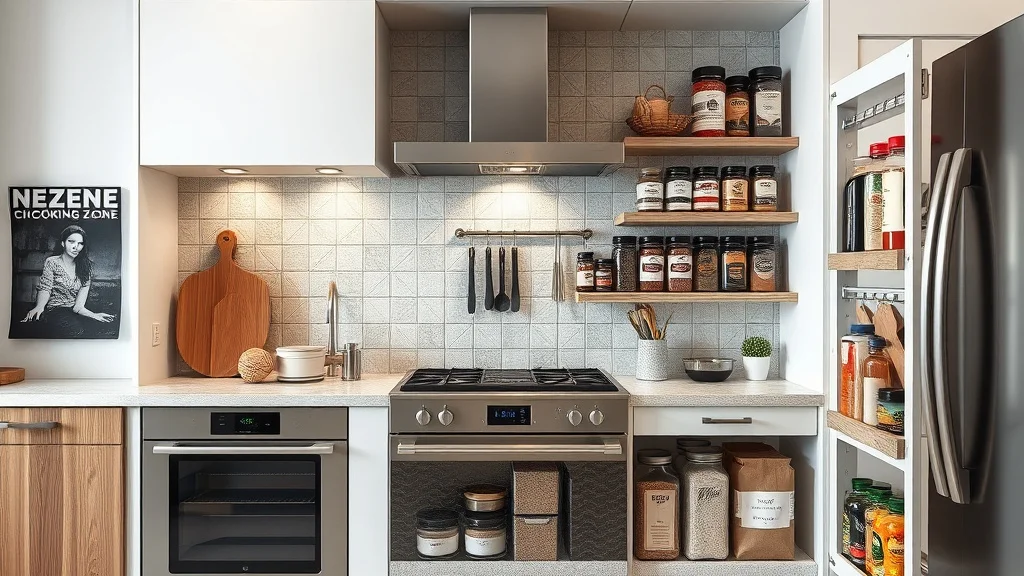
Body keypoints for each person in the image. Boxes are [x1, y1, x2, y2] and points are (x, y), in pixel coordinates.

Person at [21, 225, 115, 337]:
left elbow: (78, 307)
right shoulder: (52, 262)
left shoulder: (86, 268)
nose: (76, 247)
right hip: (55, 310)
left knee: (100, 328)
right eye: (71, 242)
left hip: (74, 310)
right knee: (75, 330)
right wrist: (39, 306)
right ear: (63, 243)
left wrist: (94, 315)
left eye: (80, 243)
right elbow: (45, 288)